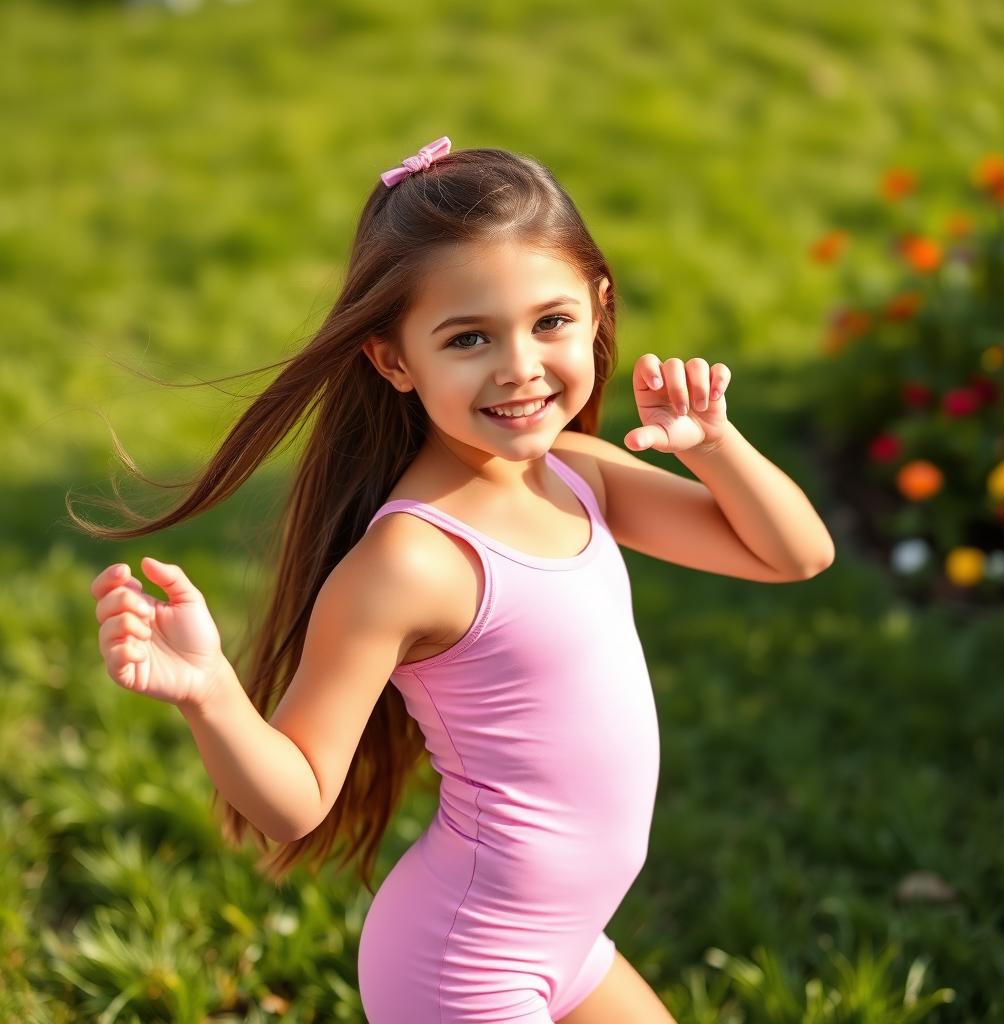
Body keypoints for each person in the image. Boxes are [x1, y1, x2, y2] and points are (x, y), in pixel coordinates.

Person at [87, 136, 835, 1023]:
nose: (519, 365)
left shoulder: (577, 474)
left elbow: (794, 555)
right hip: (465, 967)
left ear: (598, 309)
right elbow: (296, 800)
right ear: (393, 360)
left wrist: (716, 445)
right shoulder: (412, 562)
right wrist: (209, 691)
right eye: (469, 337)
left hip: (570, 944)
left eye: (550, 322)